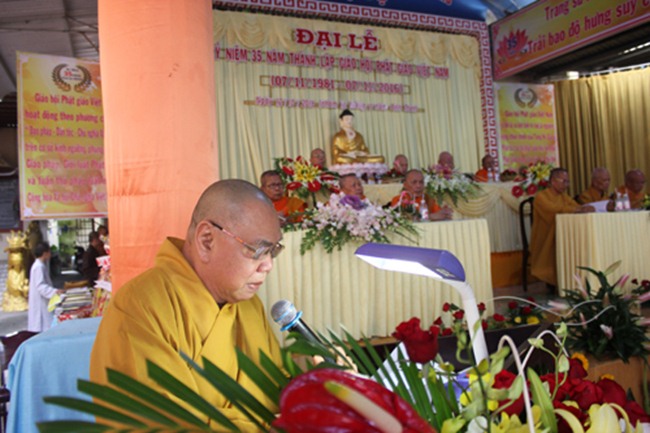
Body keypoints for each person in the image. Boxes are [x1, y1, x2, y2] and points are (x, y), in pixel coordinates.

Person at [90, 179, 284, 430]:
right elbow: (166, 422)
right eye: (258, 251)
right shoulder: (139, 307)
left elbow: (276, 388)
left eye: (273, 251)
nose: (268, 265)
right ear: (206, 240)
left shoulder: (249, 306)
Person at [530, 168, 594, 290]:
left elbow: (575, 206)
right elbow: (553, 210)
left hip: (562, 235)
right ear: (553, 181)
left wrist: (583, 208)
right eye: (564, 181)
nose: (566, 185)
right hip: (546, 236)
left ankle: (570, 280)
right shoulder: (541, 197)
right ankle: (553, 282)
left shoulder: (564, 197)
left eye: (568, 182)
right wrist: (576, 209)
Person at [27, 242, 62, 332]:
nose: (50, 254)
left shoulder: (40, 265)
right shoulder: (38, 267)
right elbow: (40, 285)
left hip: (43, 300)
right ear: (45, 253)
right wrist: (54, 292)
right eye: (49, 252)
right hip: (40, 302)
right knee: (43, 325)